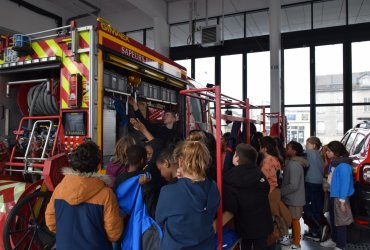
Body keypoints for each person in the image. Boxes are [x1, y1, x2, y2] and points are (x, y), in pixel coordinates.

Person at [45, 141, 123, 250]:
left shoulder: (59, 189)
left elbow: (50, 222)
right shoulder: (106, 195)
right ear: (98, 166)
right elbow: (114, 234)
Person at [155, 140, 220, 250]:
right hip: (206, 245)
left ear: (180, 161)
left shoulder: (168, 191)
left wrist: (181, 181)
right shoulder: (213, 186)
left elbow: (159, 220)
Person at [223, 143, 273, 250]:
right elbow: (266, 190)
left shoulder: (229, 178)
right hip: (263, 223)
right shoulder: (259, 174)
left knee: (245, 246)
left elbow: (232, 206)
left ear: (237, 158)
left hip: (244, 224)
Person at [320, 141, 354, 250]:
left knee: (340, 222)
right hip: (332, 194)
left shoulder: (343, 165)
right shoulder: (334, 162)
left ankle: (340, 245)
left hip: (339, 197)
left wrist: (342, 201)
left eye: (329, 151)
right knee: (333, 219)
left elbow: (345, 184)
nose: (327, 153)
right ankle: (334, 240)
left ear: (336, 152)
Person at [281, 141, 307, 250]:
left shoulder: (294, 165)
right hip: (291, 197)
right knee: (291, 219)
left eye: (288, 148)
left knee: (295, 220)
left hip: (295, 198)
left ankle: (296, 243)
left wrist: (281, 192)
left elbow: (293, 185)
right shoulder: (291, 162)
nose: (286, 150)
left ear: (294, 151)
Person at [303, 136, 327, 242]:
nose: (305, 146)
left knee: (309, 206)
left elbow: (298, 153)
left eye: (307, 144)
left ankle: (317, 230)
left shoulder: (310, 153)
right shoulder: (320, 155)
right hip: (318, 183)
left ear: (313, 145)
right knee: (317, 206)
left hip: (311, 183)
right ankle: (319, 229)